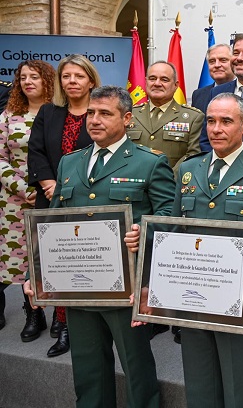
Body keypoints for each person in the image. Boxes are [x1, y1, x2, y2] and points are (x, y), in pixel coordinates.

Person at [24, 85, 175, 408]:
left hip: (127, 285)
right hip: (78, 284)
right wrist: (34, 272)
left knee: (136, 366)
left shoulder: (148, 163)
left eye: (105, 113)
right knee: (88, 368)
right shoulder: (69, 163)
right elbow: (52, 221)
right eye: (91, 113)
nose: (94, 120)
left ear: (127, 118)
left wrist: (142, 231)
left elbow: (168, 215)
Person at [168, 92, 243, 408]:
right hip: (192, 295)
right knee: (198, 382)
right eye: (210, 121)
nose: (216, 129)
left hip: (240, 298)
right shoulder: (188, 170)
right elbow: (177, 230)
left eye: (226, 121)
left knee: (239, 385)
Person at [27, 54, 100, 356]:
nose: (72, 81)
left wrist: (72, 187)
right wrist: (48, 185)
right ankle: (62, 324)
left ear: (91, 81)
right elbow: (36, 151)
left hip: (89, 200)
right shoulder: (49, 111)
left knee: (83, 263)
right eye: (66, 76)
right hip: (51, 199)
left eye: (78, 76)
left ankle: (81, 324)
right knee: (55, 263)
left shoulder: (100, 112)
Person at [0, 60, 56, 332]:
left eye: (35, 76)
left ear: (47, 80)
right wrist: (23, 189)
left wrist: (44, 189)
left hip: (51, 193)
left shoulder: (58, 113)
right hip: (13, 199)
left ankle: (59, 315)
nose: (28, 81)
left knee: (49, 255)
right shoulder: (9, 116)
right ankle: (32, 314)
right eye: (23, 77)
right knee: (22, 259)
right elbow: (0, 157)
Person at [127, 60, 204, 173]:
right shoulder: (129, 115)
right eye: (152, 78)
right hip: (133, 182)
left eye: (164, 79)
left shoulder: (193, 118)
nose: (157, 83)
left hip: (171, 185)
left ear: (176, 85)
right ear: (146, 82)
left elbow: (193, 155)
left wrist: (166, 180)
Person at [191, 43, 235, 112]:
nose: (216, 65)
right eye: (212, 61)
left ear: (234, 62)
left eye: (223, 60)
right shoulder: (198, 95)